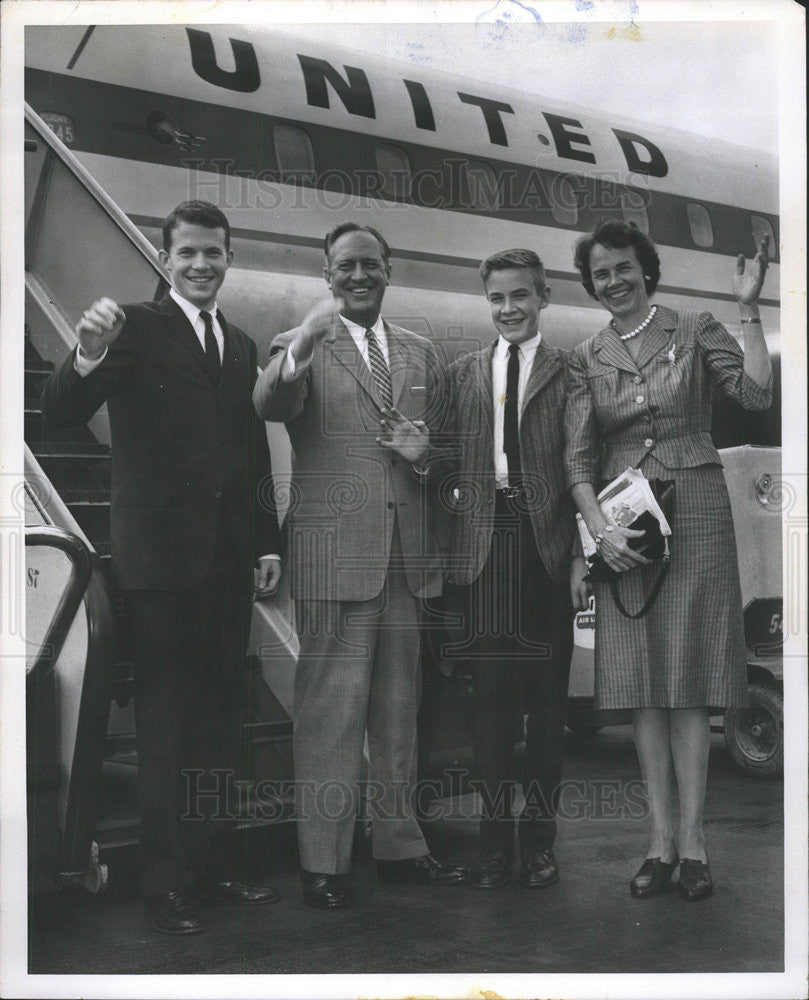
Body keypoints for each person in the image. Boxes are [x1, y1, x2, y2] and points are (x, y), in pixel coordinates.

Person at [42, 201, 283, 934]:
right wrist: (84, 351)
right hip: (158, 567)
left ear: (228, 258)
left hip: (225, 562)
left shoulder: (239, 345)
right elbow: (58, 413)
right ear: (164, 259)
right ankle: (166, 885)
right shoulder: (135, 330)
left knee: (218, 726)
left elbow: (251, 456)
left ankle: (211, 869)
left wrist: (267, 542)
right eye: (187, 254)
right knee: (168, 729)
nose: (201, 265)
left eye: (213, 253)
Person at [252, 222, 466, 910]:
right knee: (329, 717)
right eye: (344, 266)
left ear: (388, 269)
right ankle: (323, 862)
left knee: (398, 714)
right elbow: (271, 402)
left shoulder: (421, 353)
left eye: (370, 264)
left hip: (406, 560)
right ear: (327, 275)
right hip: (335, 559)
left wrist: (424, 455)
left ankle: (399, 847)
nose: (358, 275)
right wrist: (303, 345)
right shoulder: (302, 344)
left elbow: (447, 456)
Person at [564, 220, 772, 901]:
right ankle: (656, 844)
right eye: (600, 273)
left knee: (687, 682)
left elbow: (754, 395)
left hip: (697, 509)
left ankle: (694, 845)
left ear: (644, 269)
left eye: (622, 267)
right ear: (590, 284)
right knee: (639, 688)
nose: (613, 280)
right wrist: (597, 530)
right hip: (624, 521)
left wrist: (748, 308)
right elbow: (577, 460)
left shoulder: (695, 327)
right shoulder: (585, 355)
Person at [439, 249, 589, 890]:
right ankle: (495, 845)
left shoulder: (570, 374)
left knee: (547, 707)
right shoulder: (462, 375)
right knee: (493, 711)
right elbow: (439, 464)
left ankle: (541, 841)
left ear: (544, 296)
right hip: (485, 552)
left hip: (546, 548)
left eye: (521, 296)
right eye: (497, 298)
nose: (509, 309)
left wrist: (582, 552)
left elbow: (582, 463)